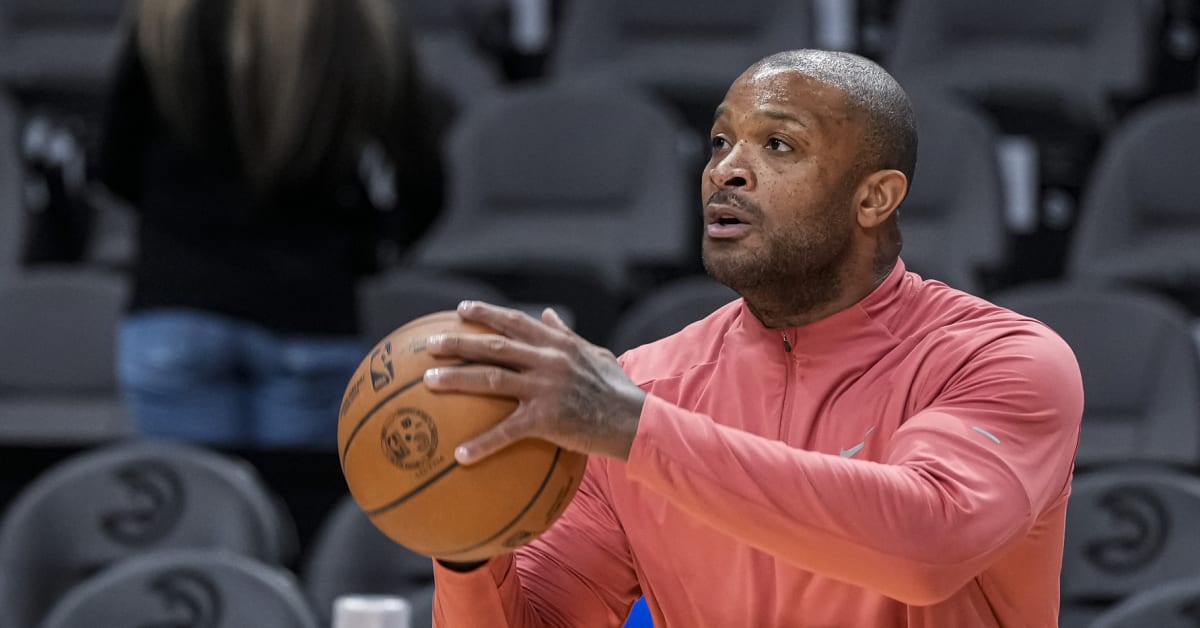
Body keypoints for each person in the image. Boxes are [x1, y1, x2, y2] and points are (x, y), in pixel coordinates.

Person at [421, 50, 1084, 627]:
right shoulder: (648, 385)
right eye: (719, 142)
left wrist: (635, 428)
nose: (726, 171)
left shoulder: (999, 359)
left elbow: (927, 545)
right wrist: (467, 541)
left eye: (778, 145)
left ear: (874, 198)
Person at [98, 0, 444, 448]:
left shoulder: (168, 17)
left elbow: (113, 165)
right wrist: (360, 253)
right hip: (309, 313)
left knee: (198, 492)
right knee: (301, 494)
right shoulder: (359, 20)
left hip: (177, 309)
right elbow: (422, 185)